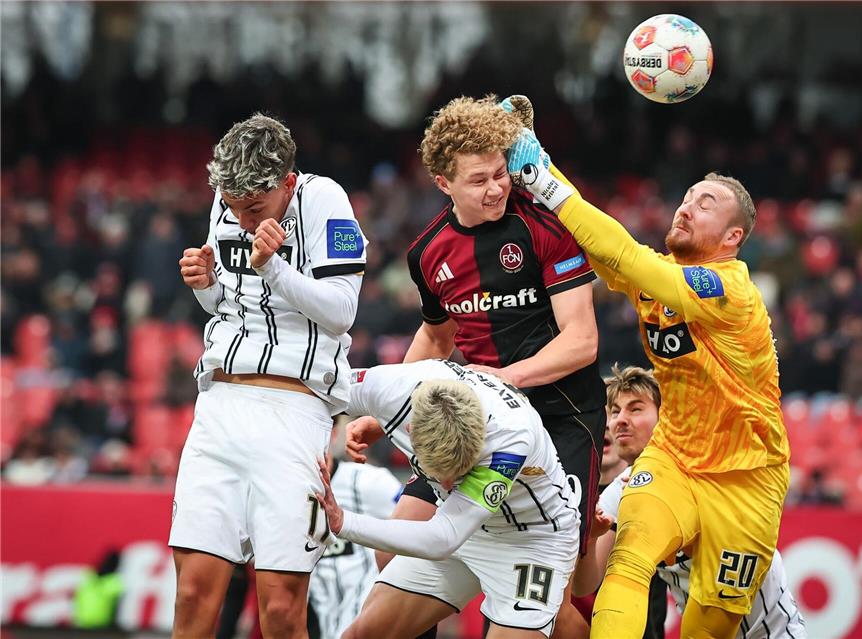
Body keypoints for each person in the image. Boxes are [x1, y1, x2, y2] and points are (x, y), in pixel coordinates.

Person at [505, 114, 791, 639]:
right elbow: (601, 244)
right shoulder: (658, 278)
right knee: (629, 562)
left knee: (711, 624)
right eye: (688, 195)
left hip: (747, 479)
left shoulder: (729, 290)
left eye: (706, 203)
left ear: (733, 237)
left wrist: (542, 176)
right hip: (675, 457)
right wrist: (537, 171)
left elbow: (625, 254)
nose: (686, 205)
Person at [353, 95, 605, 638]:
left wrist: (502, 380)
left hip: (562, 418)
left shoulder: (544, 228)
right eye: (478, 180)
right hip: (480, 424)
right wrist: (384, 412)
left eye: (500, 174)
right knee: (390, 552)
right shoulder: (428, 253)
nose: (495, 189)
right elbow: (438, 336)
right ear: (443, 183)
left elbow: (582, 341)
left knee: (563, 590)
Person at [171, 113, 367, 638]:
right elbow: (228, 305)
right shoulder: (229, 200)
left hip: (293, 412)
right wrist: (204, 286)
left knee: (280, 611)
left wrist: (274, 268)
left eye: (252, 207)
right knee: (191, 596)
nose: (238, 217)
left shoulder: (325, 200)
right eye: (230, 206)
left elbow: (342, 310)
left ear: (285, 183)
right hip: (218, 408)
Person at [320, 359, 581, 639]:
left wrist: (344, 522)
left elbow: (442, 538)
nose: (446, 484)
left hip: (532, 541)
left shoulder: (510, 439)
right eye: (437, 471)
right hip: (462, 525)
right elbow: (310, 386)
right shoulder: (390, 387)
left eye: (460, 473)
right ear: (410, 430)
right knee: (362, 635)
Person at [575, 366, 806, 639]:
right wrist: (590, 540)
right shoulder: (621, 491)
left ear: (668, 417)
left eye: (635, 409)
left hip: (772, 632)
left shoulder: (710, 465)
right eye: (615, 411)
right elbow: (583, 586)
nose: (620, 421)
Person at [309, 424, 402, 639]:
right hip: (315, 621)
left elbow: (420, 525)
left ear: (332, 433)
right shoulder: (282, 495)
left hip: (368, 623)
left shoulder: (370, 481)